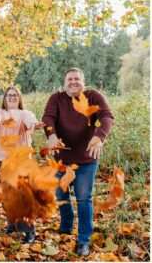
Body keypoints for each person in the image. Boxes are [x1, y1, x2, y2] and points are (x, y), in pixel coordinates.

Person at [41, 67, 114, 256]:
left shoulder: (93, 96)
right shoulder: (56, 99)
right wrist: (51, 135)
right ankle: (65, 226)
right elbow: (48, 118)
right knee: (61, 195)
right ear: (64, 83)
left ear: (83, 81)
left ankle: (83, 240)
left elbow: (107, 116)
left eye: (77, 79)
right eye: (70, 79)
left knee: (83, 198)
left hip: (86, 159)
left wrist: (100, 136)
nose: (73, 82)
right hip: (62, 160)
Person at [0, 85, 44, 243]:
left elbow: (30, 120)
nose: (12, 97)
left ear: (19, 98)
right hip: (1, 159)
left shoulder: (25, 113)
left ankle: (29, 230)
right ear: (4, 99)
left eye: (15, 95)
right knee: (7, 195)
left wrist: (34, 124)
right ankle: (12, 223)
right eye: (9, 95)